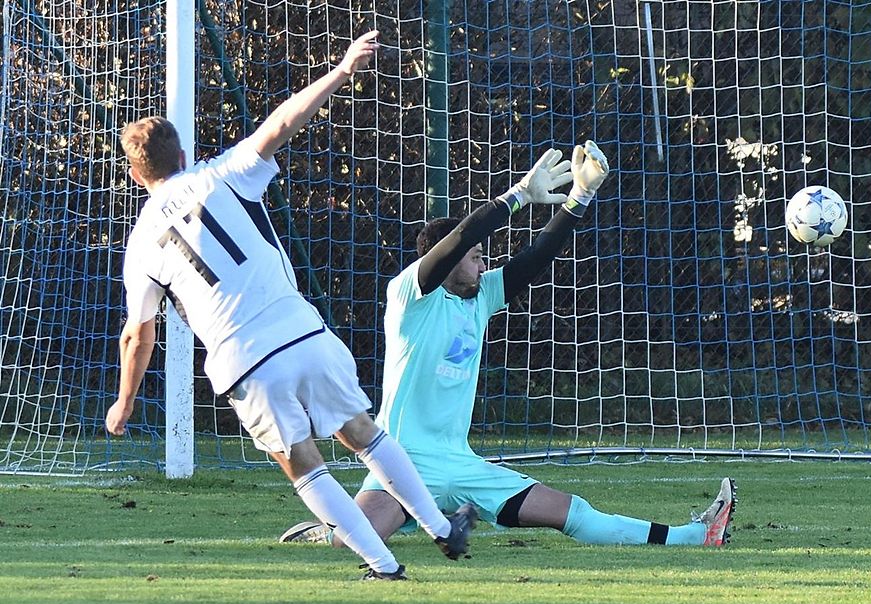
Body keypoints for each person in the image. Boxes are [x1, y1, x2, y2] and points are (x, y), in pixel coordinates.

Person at [106, 30, 478, 581]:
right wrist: (343, 69)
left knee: (303, 462)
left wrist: (126, 400)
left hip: (245, 361)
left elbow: (139, 334)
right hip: (302, 330)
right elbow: (281, 123)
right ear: (183, 154)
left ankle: (383, 565)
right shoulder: (220, 173)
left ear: (136, 175)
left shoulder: (140, 243)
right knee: (363, 433)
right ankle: (443, 530)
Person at [280, 141, 737, 550]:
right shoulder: (409, 298)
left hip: (461, 465)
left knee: (572, 512)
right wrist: (518, 194)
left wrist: (580, 196)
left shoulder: (478, 300)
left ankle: (694, 536)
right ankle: (337, 528)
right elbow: (461, 237)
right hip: (402, 462)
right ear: (450, 259)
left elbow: (535, 259)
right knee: (350, 543)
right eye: (477, 257)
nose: (484, 264)